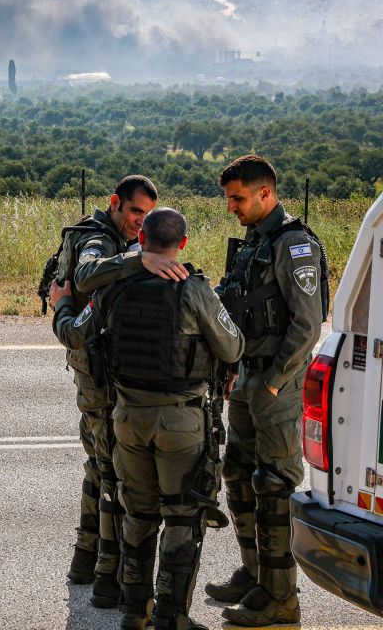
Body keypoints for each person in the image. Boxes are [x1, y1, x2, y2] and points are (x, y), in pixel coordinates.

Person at [51, 208, 244, 630]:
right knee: (180, 516)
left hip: (126, 418)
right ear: (183, 244)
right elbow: (232, 347)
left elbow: (73, 333)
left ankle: (135, 611)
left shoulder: (114, 289)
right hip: (180, 422)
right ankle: (172, 618)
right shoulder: (195, 291)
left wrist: (62, 305)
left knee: (136, 513)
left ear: (141, 238)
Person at [205, 155, 324, 627]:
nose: (231, 206)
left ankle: (281, 598)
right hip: (248, 376)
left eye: (238, 198)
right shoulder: (256, 241)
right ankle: (255, 574)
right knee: (237, 474)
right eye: (229, 198)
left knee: (274, 484)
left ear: (265, 194)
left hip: (277, 379)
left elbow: (306, 324)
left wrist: (275, 379)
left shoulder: (293, 244)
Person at [54, 175, 162, 606]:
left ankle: (86, 557)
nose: (140, 223)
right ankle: (105, 571)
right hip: (96, 369)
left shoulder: (117, 239)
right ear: (115, 203)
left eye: (148, 217)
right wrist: (140, 262)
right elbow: (85, 275)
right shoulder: (96, 240)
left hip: (106, 364)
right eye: (135, 212)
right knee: (110, 468)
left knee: (100, 465)